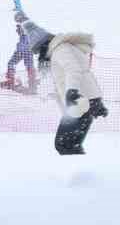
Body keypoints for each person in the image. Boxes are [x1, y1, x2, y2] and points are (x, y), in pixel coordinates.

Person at [20, 20, 109, 155]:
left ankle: (77, 172)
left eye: (39, 50)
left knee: (64, 145)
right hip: (83, 100)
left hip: (79, 100)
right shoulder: (59, 50)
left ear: (44, 44)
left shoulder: (60, 49)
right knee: (69, 145)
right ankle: (79, 171)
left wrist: (71, 92)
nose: (39, 55)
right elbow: (67, 77)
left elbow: (73, 70)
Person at [0, 13, 38, 93]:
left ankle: (31, 86)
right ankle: (13, 81)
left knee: (17, 64)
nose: (17, 22)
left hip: (25, 50)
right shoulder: (26, 24)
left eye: (17, 20)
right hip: (24, 49)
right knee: (15, 64)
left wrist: (21, 30)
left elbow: (26, 34)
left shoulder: (26, 25)